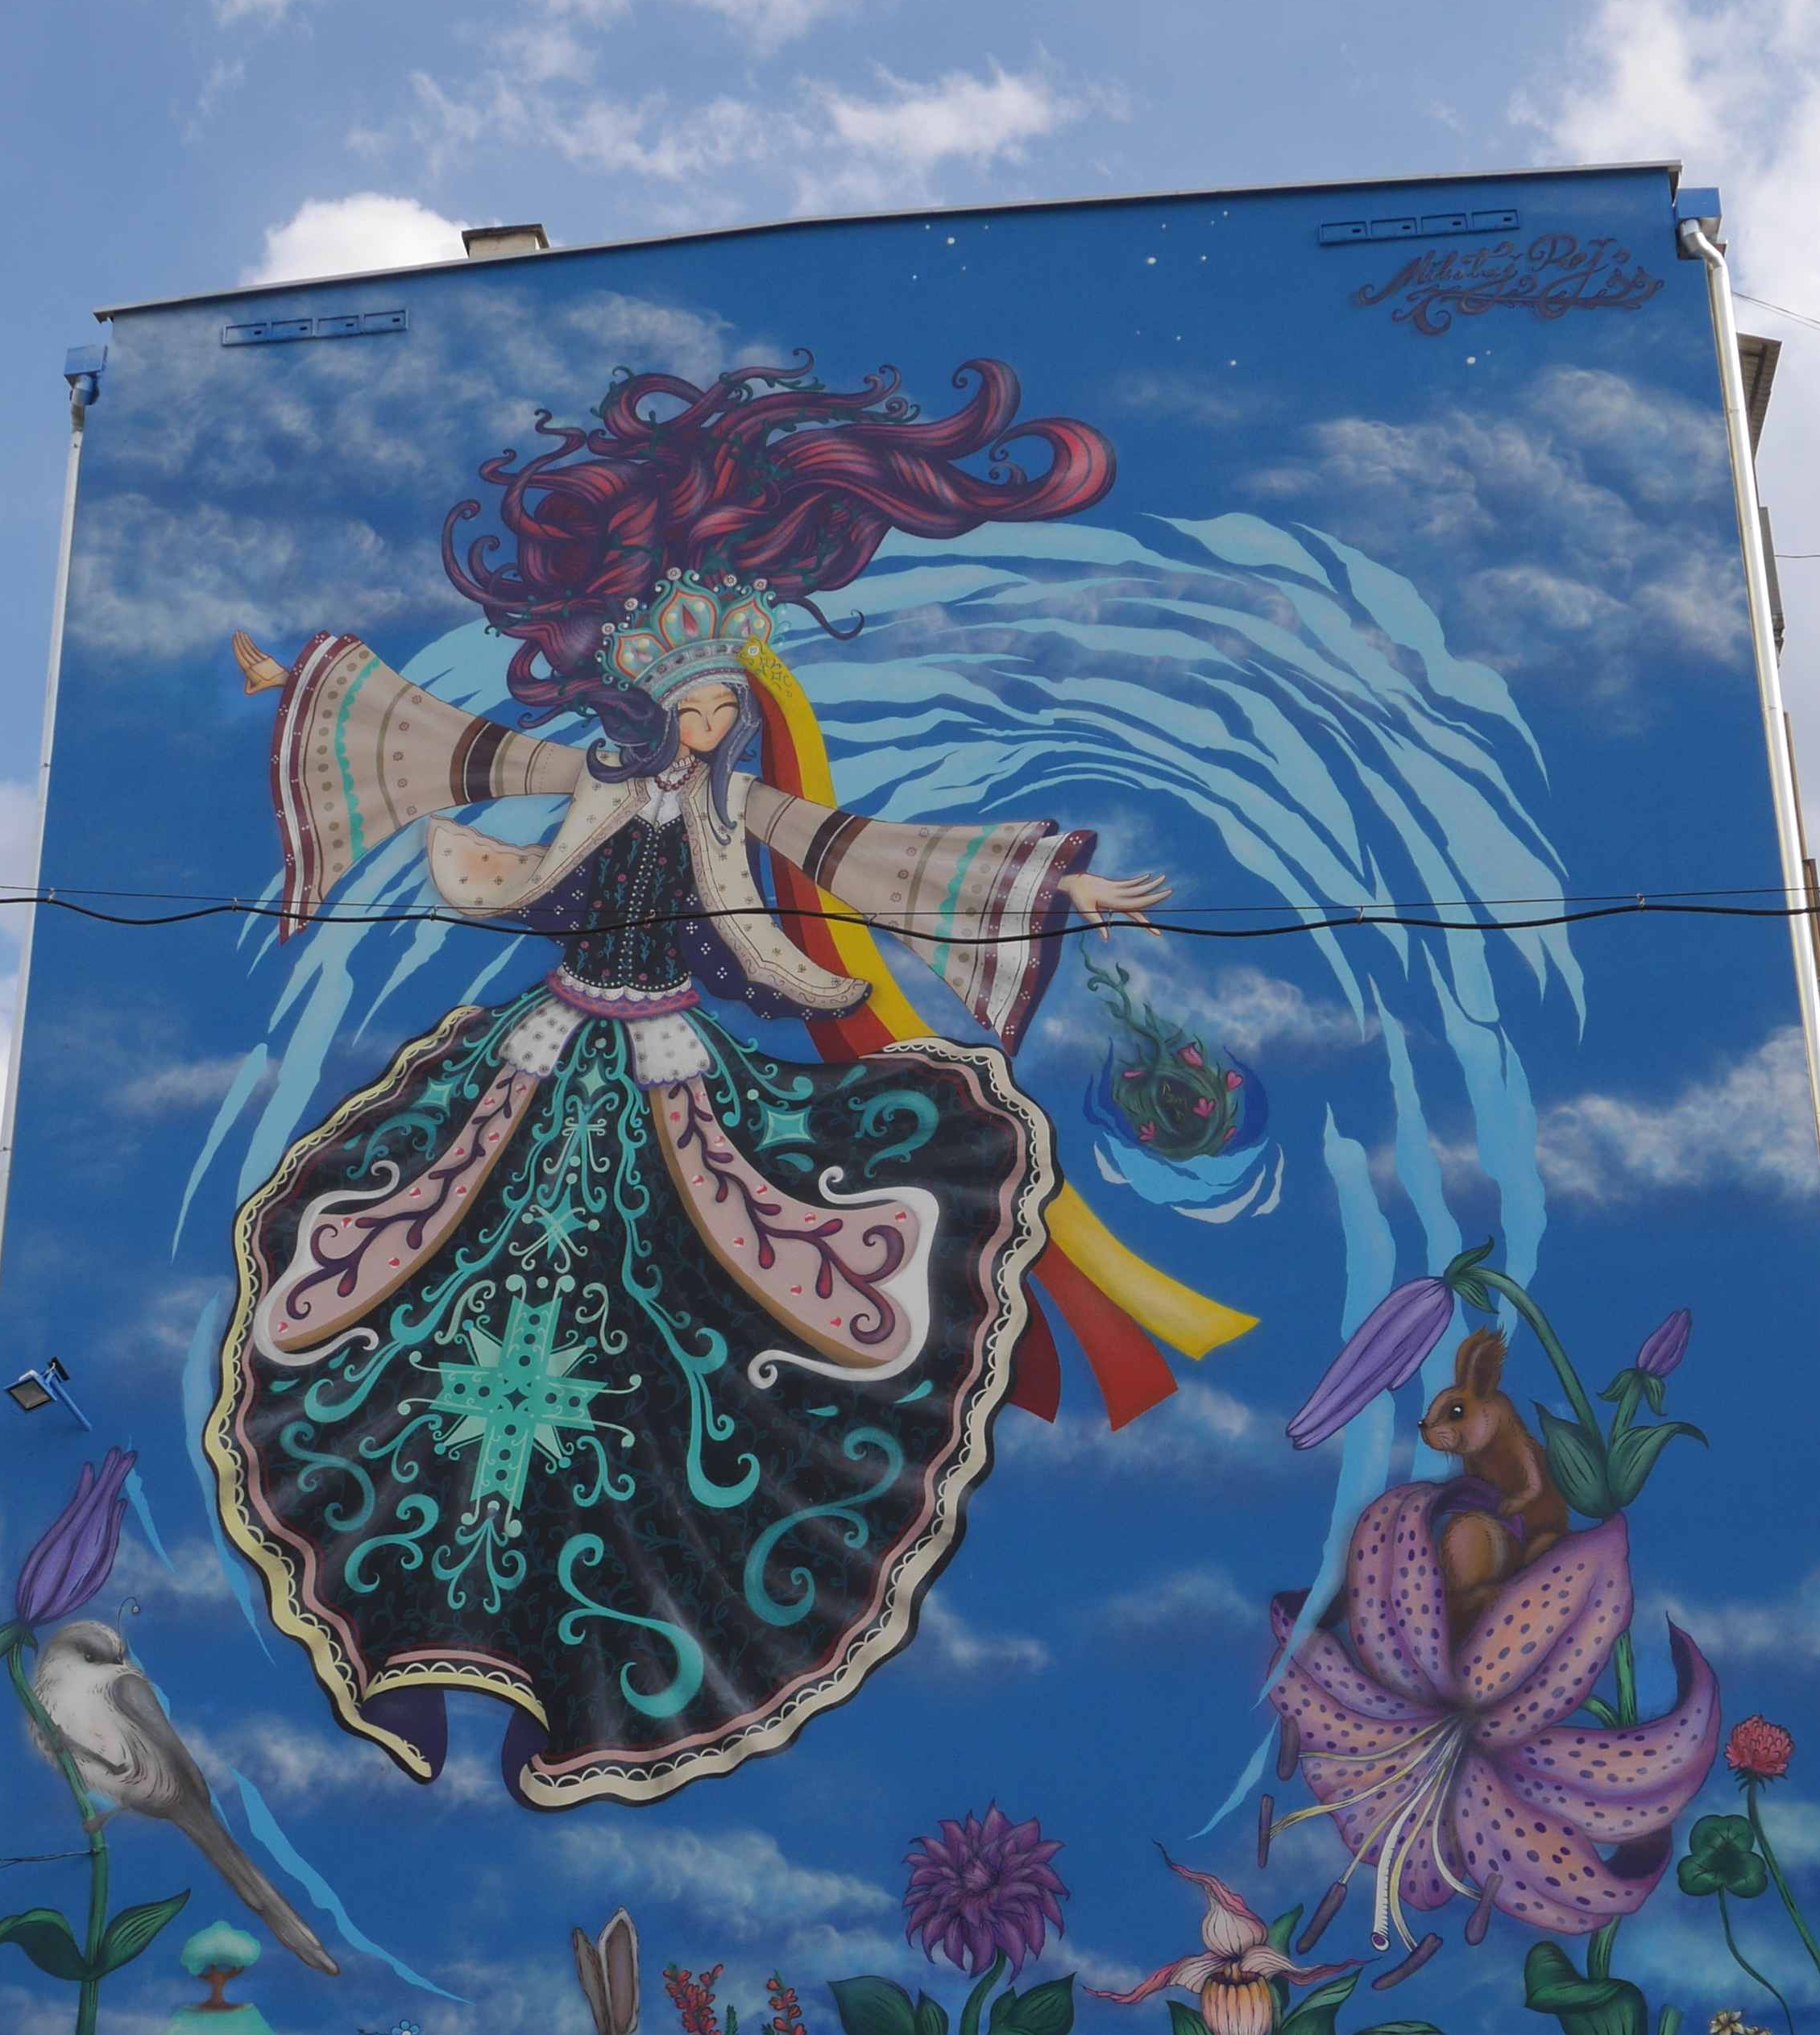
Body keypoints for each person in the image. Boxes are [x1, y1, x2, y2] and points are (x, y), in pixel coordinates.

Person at [207, 359, 1158, 1809]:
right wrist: (295, 688)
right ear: (658, 700)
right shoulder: (590, 781)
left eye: (724, 707)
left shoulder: (739, 808)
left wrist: (1055, 892)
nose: (709, 725)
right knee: (413, 1317)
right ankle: (408, 1644)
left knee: (676, 1363)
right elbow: (434, 749)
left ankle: (594, 1661)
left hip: (669, 1081)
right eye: (694, 704)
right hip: (538, 1068)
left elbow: (866, 860)